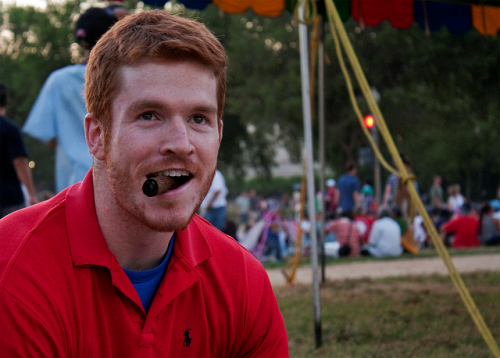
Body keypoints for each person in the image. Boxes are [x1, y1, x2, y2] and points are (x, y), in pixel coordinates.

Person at [0, 10, 289, 357]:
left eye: (199, 118)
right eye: (149, 115)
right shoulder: (14, 271)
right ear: (97, 136)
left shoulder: (242, 282)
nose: (181, 144)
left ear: (219, 135)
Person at [22, 7, 125, 193]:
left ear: (81, 40)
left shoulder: (59, 80)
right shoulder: (124, 77)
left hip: (73, 179)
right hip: (118, 174)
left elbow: (49, 138)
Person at [0, 81, 38, 217]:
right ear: (7, 100)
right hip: (9, 200)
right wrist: (32, 195)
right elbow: (20, 162)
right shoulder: (9, 129)